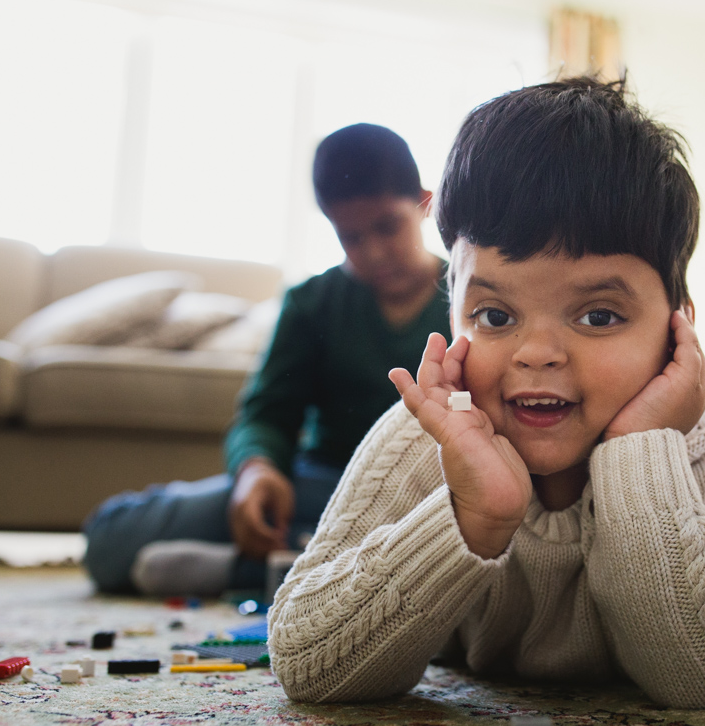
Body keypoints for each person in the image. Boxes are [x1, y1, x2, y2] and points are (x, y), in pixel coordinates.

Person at [267, 78, 705, 710]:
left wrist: (638, 449)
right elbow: (307, 664)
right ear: (453, 307)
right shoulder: (427, 432)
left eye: (599, 316)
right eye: (494, 316)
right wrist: (475, 516)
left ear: (679, 325)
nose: (536, 353)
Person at [83, 124, 450, 596]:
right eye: (351, 237)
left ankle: (252, 574)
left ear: (424, 203)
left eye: (386, 227)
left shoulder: (469, 298)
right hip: (322, 490)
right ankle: (310, 565)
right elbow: (266, 414)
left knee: (470, 536)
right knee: (111, 539)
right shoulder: (310, 303)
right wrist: (256, 472)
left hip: (431, 497)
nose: (374, 252)